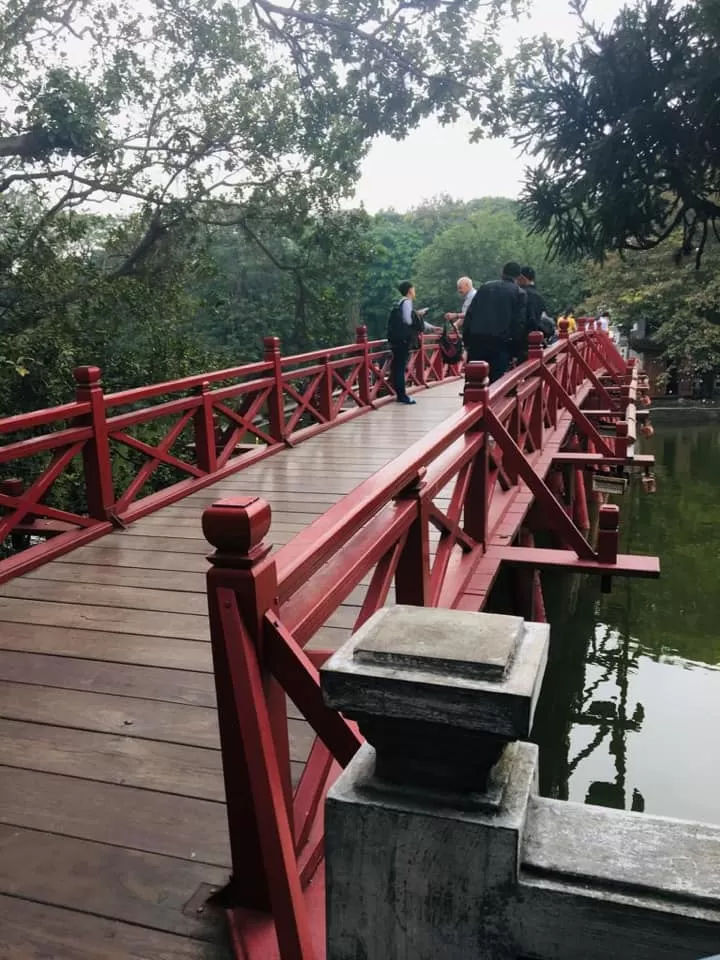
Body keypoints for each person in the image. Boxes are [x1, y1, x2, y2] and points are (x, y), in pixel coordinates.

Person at [462, 261, 527, 382]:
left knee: (473, 381)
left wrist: (467, 342)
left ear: (502, 273)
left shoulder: (485, 287)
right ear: (519, 276)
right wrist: (516, 351)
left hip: (477, 340)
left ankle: (471, 401)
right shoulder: (519, 293)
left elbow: (470, 315)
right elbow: (518, 324)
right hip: (500, 344)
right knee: (496, 384)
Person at [386, 281, 441, 405]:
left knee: (398, 367)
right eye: (413, 288)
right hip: (403, 340)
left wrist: (432, 327)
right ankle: (402, 396)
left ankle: (400, 394)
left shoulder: (400, 302)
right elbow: (409, 321)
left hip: (397, 339)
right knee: (400, 367)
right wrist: (419, 314)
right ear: (410, 290)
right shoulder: (407, 302)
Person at [517, 265, 554, 355]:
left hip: (525, 341)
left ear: (522, 277)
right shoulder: (538, 295)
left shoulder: (522, 293)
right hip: (537, 340)